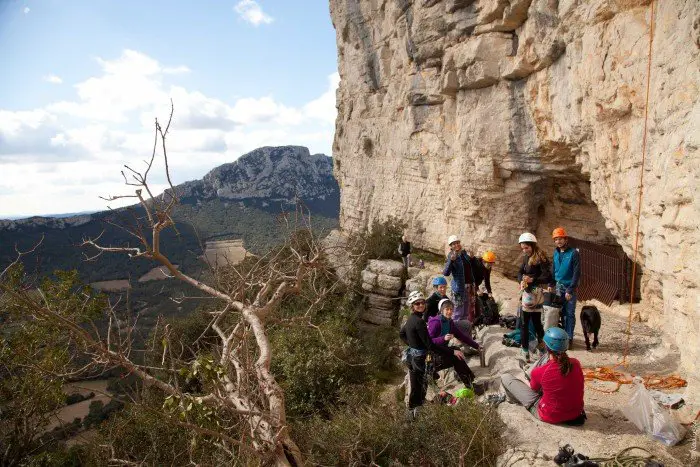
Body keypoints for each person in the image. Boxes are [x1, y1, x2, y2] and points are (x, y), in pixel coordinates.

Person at [399, 291, 471, 417]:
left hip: (413, 358)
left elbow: (402, 334)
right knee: (421, 387)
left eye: (422, 303)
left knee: (416, 387)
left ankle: (411, 414)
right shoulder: (420, 322)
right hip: (420, 359)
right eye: (417, 304)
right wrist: (452, 351)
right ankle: (416, 414)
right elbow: (430, 345)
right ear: (412, 306)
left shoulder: (411, 319)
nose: (421, 305)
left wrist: (412, 344)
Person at [500, 327, 586, 425]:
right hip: (575, 414)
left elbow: (534, 391)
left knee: (505, 377)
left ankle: (511, 399)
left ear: (546, 346)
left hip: (549, 414)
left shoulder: (540, 371)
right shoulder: (576, 363)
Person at [427, 299, 483, 390]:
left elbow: (461, 336)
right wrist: (443, 338)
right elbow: (428, 341)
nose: (449, 312)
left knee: (457, 351)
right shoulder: (436, 323)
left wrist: (476, 346)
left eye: (451, 309)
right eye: (447, 309)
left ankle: (470, 382)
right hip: (432, 357)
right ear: (441, 310)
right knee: (456, 357)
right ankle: (471, 386)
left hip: (441, 351)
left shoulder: (449, 322)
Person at [517, 232, 552, 362]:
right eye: (523, 248)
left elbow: (548, 276)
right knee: (525, 323)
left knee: (535, 323)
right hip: (527, 293)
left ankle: (541, 348)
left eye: (526, 247)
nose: (525, 250)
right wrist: (521, 280)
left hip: (535, 294)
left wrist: (533, 279)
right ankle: (525, 350)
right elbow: (520, 272)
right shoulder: (527, 257)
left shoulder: (540, 258)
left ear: (532, 245)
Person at [550, 227, 581, 348]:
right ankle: (561, 338)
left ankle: (569, 338)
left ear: (565, 239)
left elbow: (576, 273)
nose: (558, 241)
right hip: (558, 287)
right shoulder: (556, 252)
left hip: (569, 288)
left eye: (560, 238)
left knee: (569, 313)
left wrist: (570, 289)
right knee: (560, 312)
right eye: (556, 239)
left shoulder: (574, 253)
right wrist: (550, 283)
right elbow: (554, 269)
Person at [443, 235, 476, 329]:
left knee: (466, 312)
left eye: (458, 242)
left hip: (468, 287)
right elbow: (446, 272)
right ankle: (455, 334)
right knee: (457, 313)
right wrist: (451, 261)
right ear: (451, 246)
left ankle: (463, 332)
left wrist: (472, 257)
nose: (457, 244)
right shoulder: (451, 255)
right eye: (454, 244)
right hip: (458, 289)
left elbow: (470, 266)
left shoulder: (464, 253)